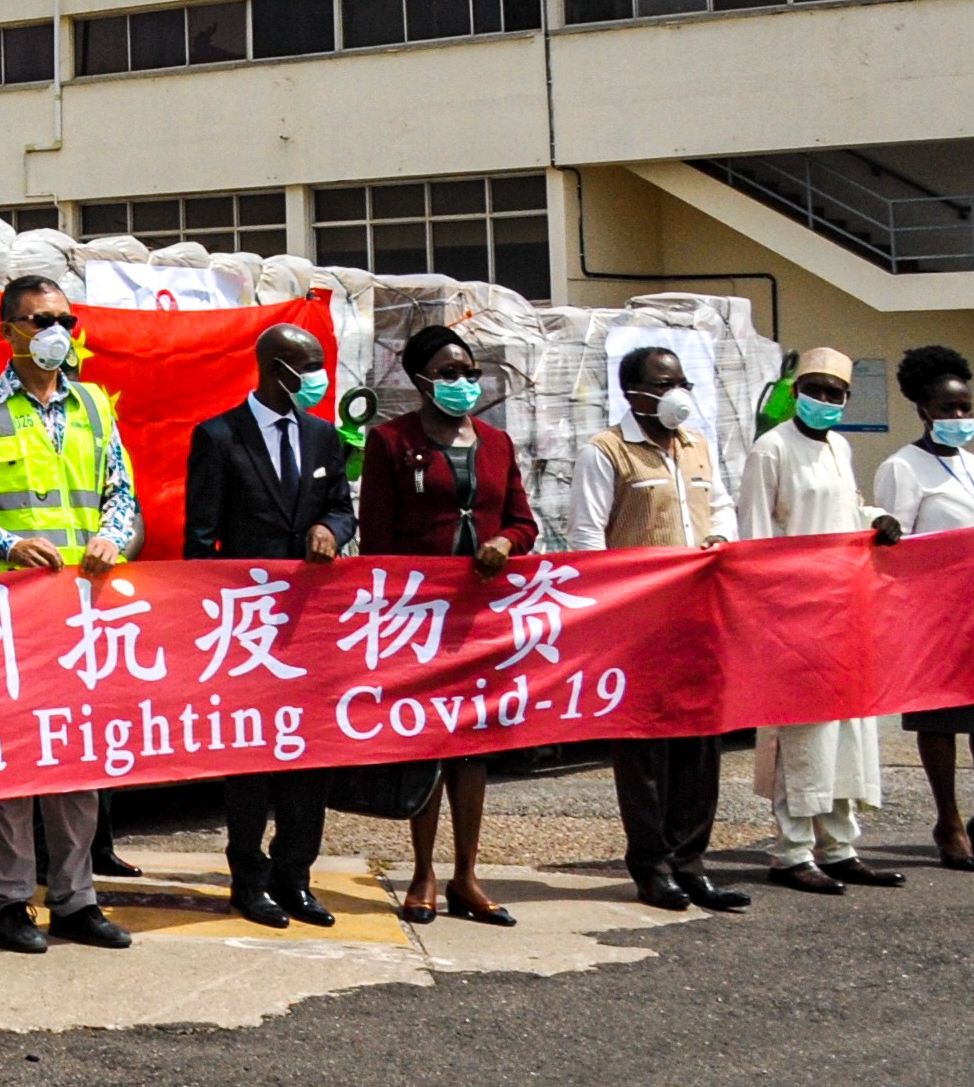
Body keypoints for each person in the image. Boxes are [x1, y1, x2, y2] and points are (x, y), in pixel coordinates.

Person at [0, 275, 138, 954]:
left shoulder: (95, 408)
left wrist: (115, 535)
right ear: (8, 329)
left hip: (84, 613)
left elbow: (122, 497)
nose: (57, 329)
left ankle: (77, 898)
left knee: (78, 761)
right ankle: (9, 900)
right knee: (12, 763)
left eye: (65, 318)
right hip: (10, 614)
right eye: (41, 318)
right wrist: (6, 542)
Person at [560, 343, 750, 913]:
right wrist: (606, 610)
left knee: (701, 742)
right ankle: (651, 865)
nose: (676, 394)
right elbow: (587, 537)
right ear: (632, 391)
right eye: (664, 382)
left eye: (683, 382)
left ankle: (692, 862)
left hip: (699, 615)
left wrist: (723, 540)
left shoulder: (697, 448)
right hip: (638, 622)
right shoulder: (608, 451)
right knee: (646, 748)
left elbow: (721, 510)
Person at [358, 324, 537, 925]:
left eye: (469, 371)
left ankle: (466, 873)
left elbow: (523, 522)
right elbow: (377, 541)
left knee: (472, 746)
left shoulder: (495, 442)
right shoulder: (390, 441)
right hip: (419, 616)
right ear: (420, 380)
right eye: (449, 373)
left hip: (481, 614)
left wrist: (504, 544)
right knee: (427, 740)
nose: (462, 382)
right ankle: (423, 872)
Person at [179, 324, 353, 929]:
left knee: (308, 758)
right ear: (276, 368)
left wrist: (334, 529)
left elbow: (342, 507)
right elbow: (200, 543)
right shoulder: (220, 436)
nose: (316, 378)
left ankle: (296, 878)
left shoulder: (323, 436)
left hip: (309, 624)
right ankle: (248, 880)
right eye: (308, 367)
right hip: (247, 629)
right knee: (252, 759)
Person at [737, 348, 907, 896]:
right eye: (815, 390)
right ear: (796, 391)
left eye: (835, 394)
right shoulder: (771, 449)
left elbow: (846, 508)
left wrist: (875, 520)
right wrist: (766, 612)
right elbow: (755, 534)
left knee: (847, 734)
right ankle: (791, 852)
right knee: (801, 734)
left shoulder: (840, 445)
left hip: (842, 612)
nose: (825, 402)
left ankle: (840, 846)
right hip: (791, 615)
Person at [872, 346, 974, 869]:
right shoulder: (902, 467)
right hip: (935, 612)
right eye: (948, 408)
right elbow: (895, 542)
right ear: (923, 410)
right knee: (939, 719)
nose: (959, 418)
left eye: (965, 408)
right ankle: (948, 819)